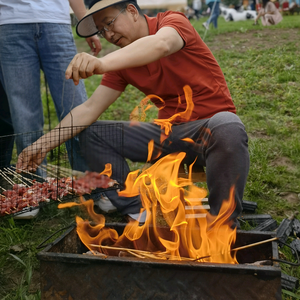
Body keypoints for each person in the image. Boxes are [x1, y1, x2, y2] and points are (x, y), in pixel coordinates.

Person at [17, 0, 250, 225]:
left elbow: (161, 45)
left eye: (109, 23)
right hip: (168, 135)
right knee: (93, 132)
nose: (107, 34)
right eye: (101, 30)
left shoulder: (171, 22)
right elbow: (89, 108)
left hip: (210, 132)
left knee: (227, 125)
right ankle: (136, 210)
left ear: (132, 11)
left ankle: (222, 223)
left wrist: (102, 63)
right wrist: (43, 144)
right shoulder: (124, 59)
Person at [0, 0, 102, 173]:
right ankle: (36, 191)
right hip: (10, 23)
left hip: (55, 23)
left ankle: (92, 186)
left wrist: (86, 23)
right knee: (25, 118)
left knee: (75, 106)